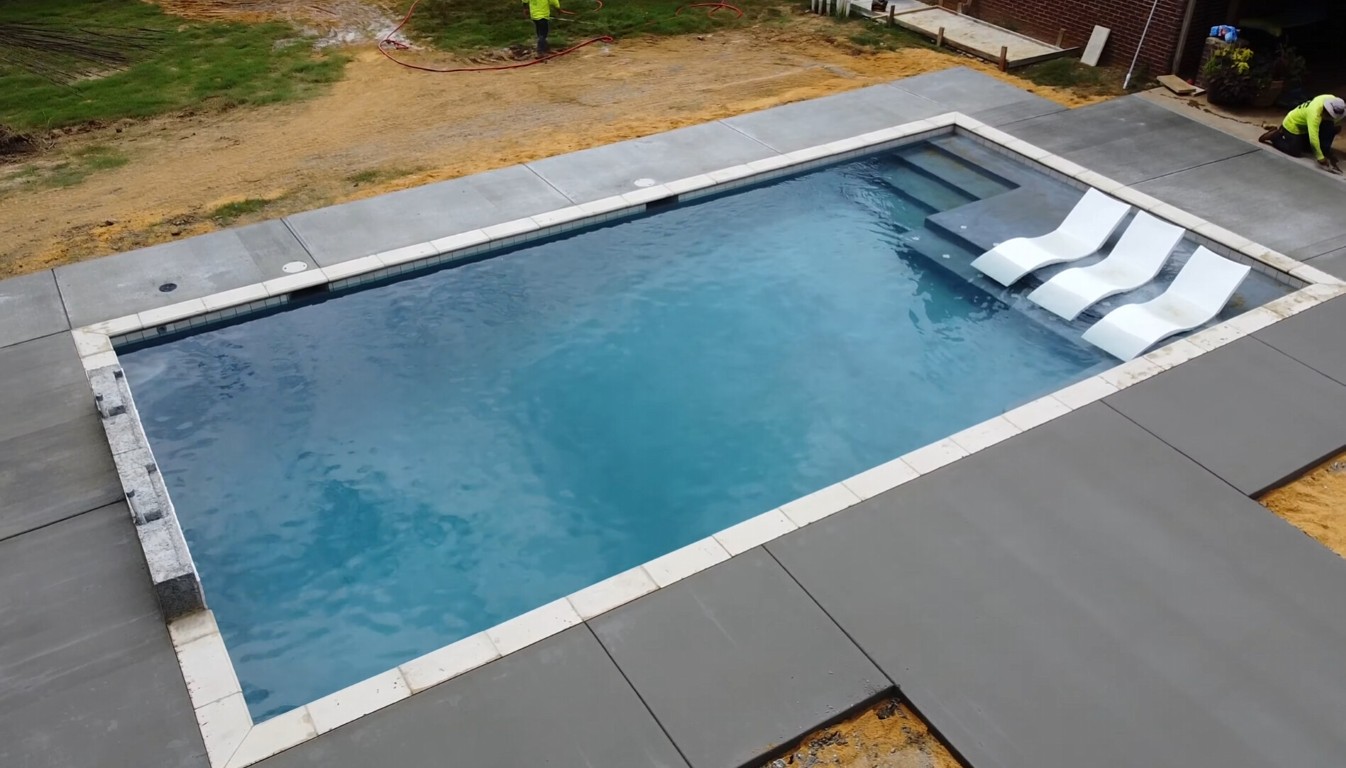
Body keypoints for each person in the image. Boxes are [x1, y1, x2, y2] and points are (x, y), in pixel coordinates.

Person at [1259, 94, 1346, 174]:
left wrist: (1331, 129)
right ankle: (1275, 136)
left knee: (1326, 130)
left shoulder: (1332, 100)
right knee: (1296, 152)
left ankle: (1323, 148)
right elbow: (1313, 138)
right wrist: (1320, 158)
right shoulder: (1314, 114)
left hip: (1307, 125)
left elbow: (1332, 120)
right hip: (1293, 125)